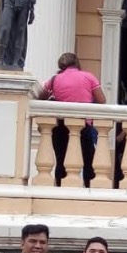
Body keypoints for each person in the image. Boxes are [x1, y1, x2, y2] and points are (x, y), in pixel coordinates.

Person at [40, 53, 106, 187]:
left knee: (61, 160)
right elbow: (102, 100)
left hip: (61, 126)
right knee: (89, 160)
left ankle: (60, 188)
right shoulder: (88, 76)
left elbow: (41, 97)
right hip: (83, 124)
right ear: (77, 63)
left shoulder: (54, 79)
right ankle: (89, 189)